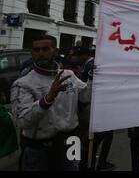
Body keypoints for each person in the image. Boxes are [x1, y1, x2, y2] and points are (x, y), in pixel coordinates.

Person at [10, 35, 91, 171]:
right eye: (36, 50)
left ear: (56, 51)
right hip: (39, 148)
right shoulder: (23, 84)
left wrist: (93, 78)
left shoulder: (69, 75)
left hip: (72, 142)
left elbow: (86, 97)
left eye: (46, 49)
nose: (41, 53)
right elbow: (22, 121)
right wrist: (47, 100)